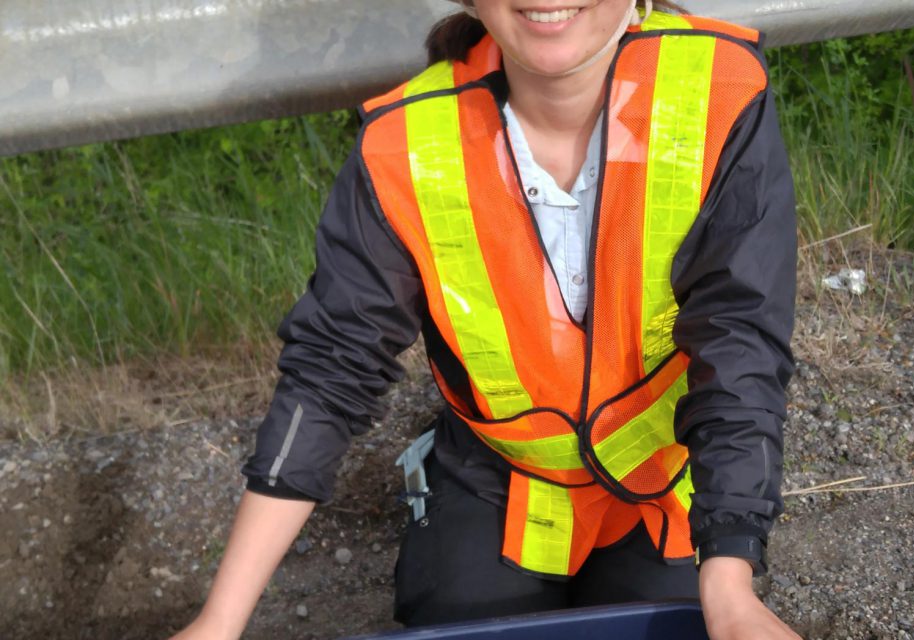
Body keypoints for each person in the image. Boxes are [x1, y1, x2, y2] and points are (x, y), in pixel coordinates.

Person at [172, 1, 799, 638]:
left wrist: (727, 575)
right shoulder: (406, 144)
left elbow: (739, 341)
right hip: (498, 481)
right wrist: (219, 622)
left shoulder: (719, 90)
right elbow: (332, 370)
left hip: (662, 482)